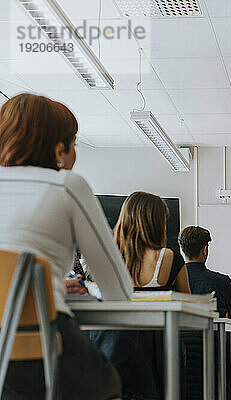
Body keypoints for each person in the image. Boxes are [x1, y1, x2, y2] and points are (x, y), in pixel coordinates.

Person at [0, 93, 132, 400]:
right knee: (109, 384)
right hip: (39, 349)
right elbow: (119, 292)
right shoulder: (67, 185)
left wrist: (48, 282)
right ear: (60, 149)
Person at [89, 191, 190, 400]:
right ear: (157, 222)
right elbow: (188, 305)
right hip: (159, 346)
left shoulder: (107, 256)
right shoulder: (168, 256)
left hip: (111, 344)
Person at [178, 226, 231, 400]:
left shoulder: (173, 281)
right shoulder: (221, 281)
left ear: (182, 250)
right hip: (215, 348)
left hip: (179, 347)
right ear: (204, 250)